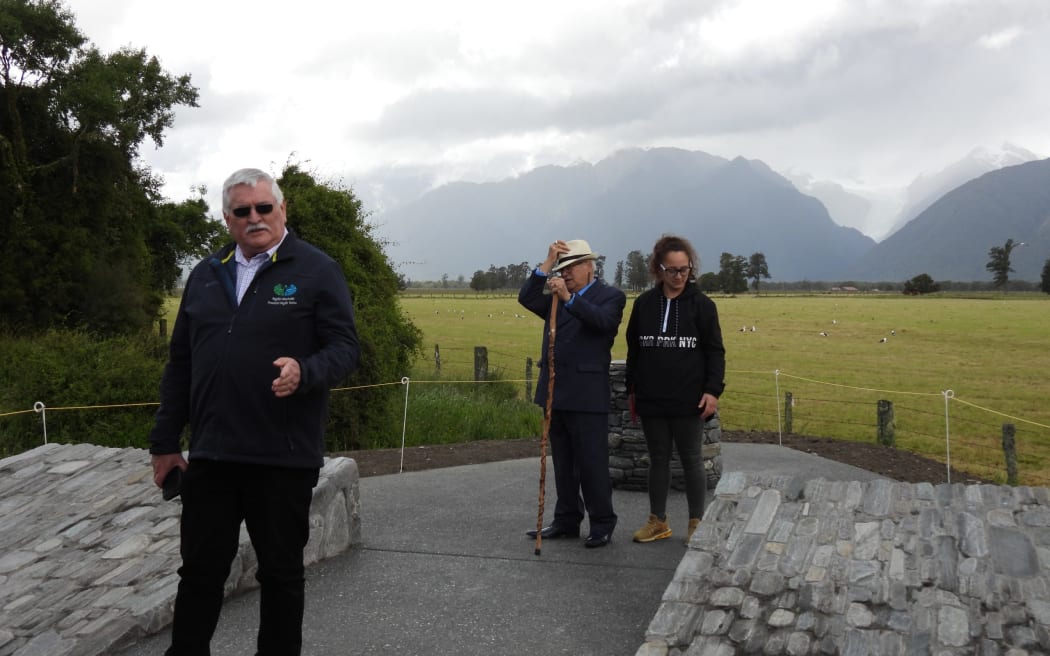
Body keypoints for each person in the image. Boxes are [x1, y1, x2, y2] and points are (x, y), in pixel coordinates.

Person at [148, 168, 360, 655]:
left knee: (282, 576)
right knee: (199, 574)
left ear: (282, 210)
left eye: (264, 208)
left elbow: (346, 348)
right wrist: (164, 444)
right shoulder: (205, 274)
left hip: (281, 457)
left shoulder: (316, 269)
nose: (255, 218)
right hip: (213, 456)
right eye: (242, 211)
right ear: (228, 218)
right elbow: (180, 364)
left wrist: (305, 372)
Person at [519, 239, 626, 548]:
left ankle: (602, 523)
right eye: (561, 268)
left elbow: (602, 324)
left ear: (589, 266)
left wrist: (569, 299)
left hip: (588, 395)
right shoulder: (553, 298)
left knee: (592, 463)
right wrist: (546, 263)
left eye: (571, 267)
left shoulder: (611, 297)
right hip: (555, 393)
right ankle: (566, 519)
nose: (565, 274)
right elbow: (526, 298)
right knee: (564, 464)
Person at [626, 235, 725, 545]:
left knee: (691, 459)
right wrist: (633, 390)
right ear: (659, 269)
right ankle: (658, 521)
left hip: (689, 399)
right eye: (672, 270)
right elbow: (634, 350)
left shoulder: (703, 306)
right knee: (657, 459)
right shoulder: (644, 305)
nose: (679, 276)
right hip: (652, 399)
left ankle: (697, 523)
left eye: (685, 269)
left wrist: (712, 391)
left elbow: (715, 351)